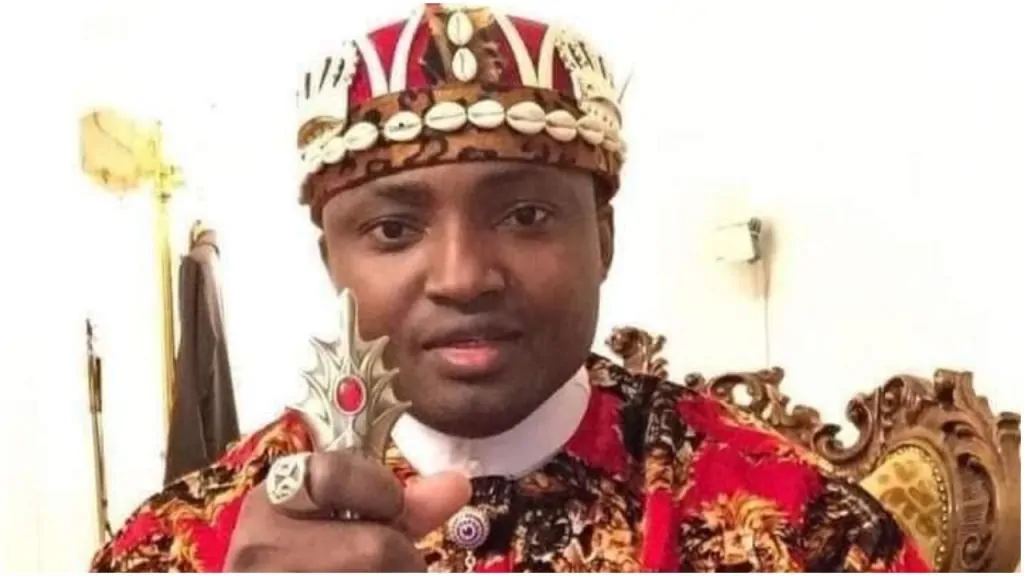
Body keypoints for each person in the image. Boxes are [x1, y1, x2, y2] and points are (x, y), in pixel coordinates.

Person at [90, 4, 931, 572]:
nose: (462, 277)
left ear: (602, 240)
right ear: (331, 265)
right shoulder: (177, 546)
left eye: (526, 216)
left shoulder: (811, 530)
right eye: (395, 230)